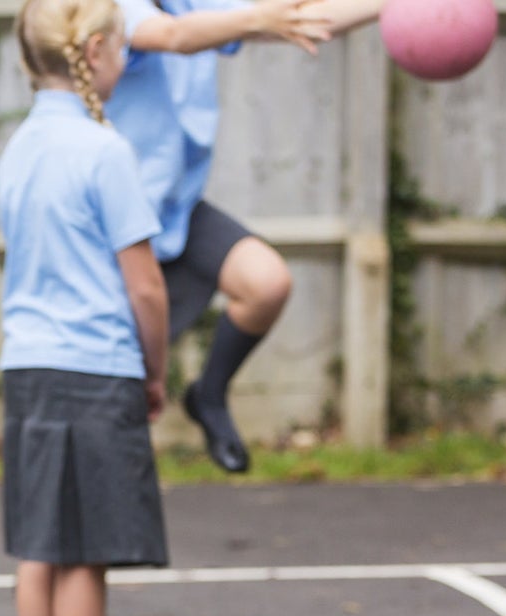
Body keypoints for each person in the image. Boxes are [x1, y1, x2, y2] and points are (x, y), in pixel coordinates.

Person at [0, 0, 171, 616]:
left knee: (40, 548)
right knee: (84, 557)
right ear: (95, 51)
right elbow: (147, 290)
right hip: (95, 364)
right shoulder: (105, 149)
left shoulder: (18, 149)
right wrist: (155, 370)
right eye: (124, 46)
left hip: (28, 364)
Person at [107, 0, 377, 471]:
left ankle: (208, 395)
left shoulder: (191, 4)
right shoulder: (111, 8)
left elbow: (302, 17)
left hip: (177, 211)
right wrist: (256, 17)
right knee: (122, 404)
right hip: (120, 225)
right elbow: (172, 36)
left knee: (266, 283)